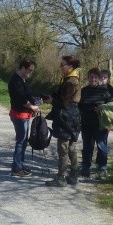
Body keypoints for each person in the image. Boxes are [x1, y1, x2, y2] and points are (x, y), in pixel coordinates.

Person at [45, 55, 81, 187]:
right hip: (70, 116)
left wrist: (52, 101)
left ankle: (61, 178)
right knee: (70, 147)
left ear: (70, 67)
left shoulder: (71, 82)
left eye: (63, 65)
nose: (60, 67)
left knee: (64, 148)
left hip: (67, 117)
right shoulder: (69, 79)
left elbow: (64, 102)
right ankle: (73, 176)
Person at [7, 58, 41, 176]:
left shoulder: (22, 79)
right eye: (29, 70)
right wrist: (32, 107)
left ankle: (19, 164)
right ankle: (16, 168)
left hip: (24, 114)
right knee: (21, 141)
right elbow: (21, 99)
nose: (30, 73)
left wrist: (35, 101)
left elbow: (27, 95)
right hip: (19, 114)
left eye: (32, 71)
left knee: (23, 141)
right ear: (22, 68)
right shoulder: (16, 80)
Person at [79, 68, 113, 179]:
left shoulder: (104, 91)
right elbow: (78, 107)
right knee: (87, 147)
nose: (93, 79)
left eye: (95, 77)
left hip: (101, 124)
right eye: (91, 77)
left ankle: (102, 167)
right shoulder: (83, 91)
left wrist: (102, 108)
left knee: (102, 146)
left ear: (98, 79)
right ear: (88, 78)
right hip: (86, 124)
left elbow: (112, 106)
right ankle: (85, 167)